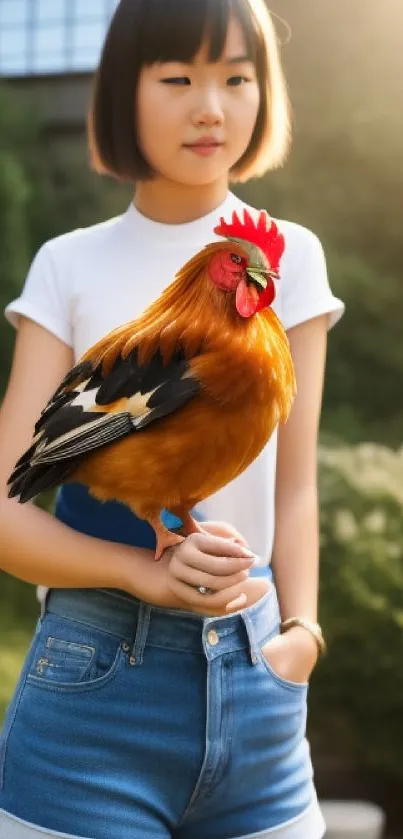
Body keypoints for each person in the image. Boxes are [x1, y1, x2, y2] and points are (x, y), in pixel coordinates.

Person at [0, 0, 345, 837]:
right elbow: (5, 506)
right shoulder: (69, 264)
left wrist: (300, 634)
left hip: (256, 682)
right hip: (94, 681)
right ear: (123, 92)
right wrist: (143, 572)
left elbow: (293, 483)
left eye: (236, 77)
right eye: (178, 77)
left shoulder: (288, 259)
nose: (210, 106)